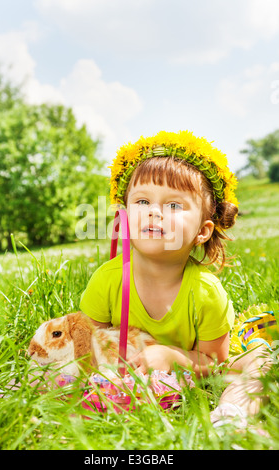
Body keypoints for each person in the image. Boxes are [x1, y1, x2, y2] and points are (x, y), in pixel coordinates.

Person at [79, 130, 272, 427]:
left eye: (174, 205)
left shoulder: (206, 292)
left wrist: (172, 357)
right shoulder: (107, 280)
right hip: (132, 374)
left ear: (202, 231)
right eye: (142, 201)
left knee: (259, 360)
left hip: (195, 374)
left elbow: (214, 363)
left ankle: (230, 418)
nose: (155, 212)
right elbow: (86, 348)